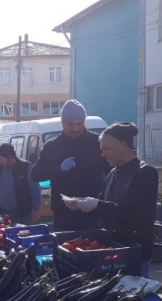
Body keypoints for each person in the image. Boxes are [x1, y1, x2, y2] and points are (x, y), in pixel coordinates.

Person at [63, 122, 159, 278]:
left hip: (134, 253)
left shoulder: (145, 173)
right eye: (101, 149)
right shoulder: (113, 172)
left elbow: (135, 215)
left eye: (107, 149)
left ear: (123, 145)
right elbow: (103, 204)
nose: (102, 154)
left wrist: (96, 205)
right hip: (113, 251)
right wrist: (81, 204)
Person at [31, 99, 109, 231]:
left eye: (79, 123)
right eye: (71, 124)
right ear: (63, 123)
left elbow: (111, 170)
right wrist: (58, 168)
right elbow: (36, 174)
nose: (76, 129)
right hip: (64, 214)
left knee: (93, 249)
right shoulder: (52, 146)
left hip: (93, 212)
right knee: (63, 249)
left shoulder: (96, 142)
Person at [0, 143, 41, 225]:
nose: (0, 161)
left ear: (10, 158)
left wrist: (35, 209)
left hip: (23, 214)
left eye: (2, 158)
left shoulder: (26, 167)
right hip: (3, 213)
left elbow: (35, 189)